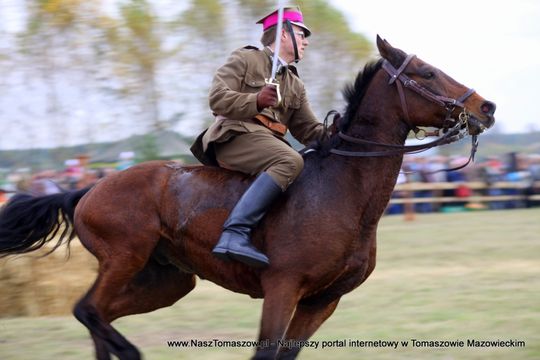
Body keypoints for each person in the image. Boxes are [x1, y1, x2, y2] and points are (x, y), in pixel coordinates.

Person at [190, 6, 327, 268]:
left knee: (301, 161)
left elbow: (310, 131)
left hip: (267, 144)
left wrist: (342, 130)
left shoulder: (295, 84)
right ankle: (234, 233)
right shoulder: (245, 59)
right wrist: (256, 100)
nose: (306, 41)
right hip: (235, 136)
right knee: (290, 161)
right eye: (301, 34)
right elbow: (217, 99)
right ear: (284, 35)